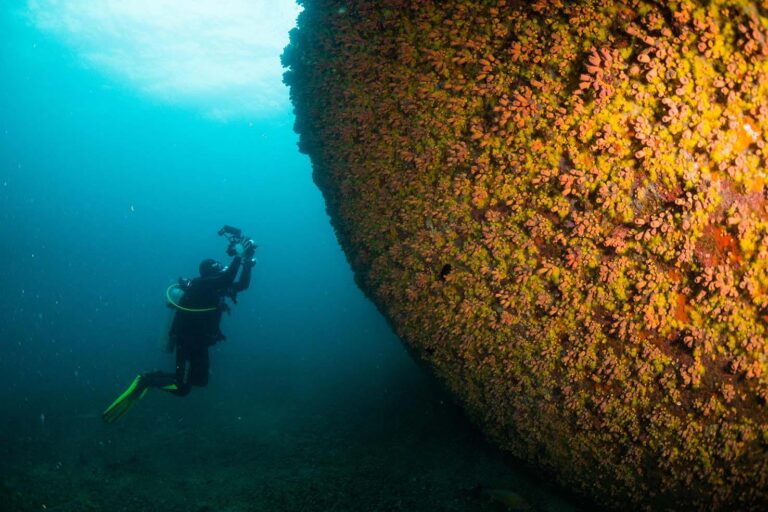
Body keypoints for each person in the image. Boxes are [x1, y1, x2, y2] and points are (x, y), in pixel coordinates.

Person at [102, 240, 256, 424]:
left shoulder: (217, 288)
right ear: (210, 272)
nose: (221, 269)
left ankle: (159, 378)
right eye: (218, 267)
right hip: (187, 341)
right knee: (181, 387)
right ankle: (147, 379)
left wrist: (247, 263)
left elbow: (242, 285)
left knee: (201, 381)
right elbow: (228, 277)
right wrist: (239, 255)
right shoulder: (201, 285)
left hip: (202, 342)